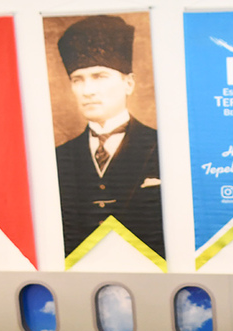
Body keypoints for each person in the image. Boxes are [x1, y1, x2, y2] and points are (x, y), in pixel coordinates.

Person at [53, 15, 164, 260]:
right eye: (77, 80)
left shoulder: (164, 147)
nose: (87, 90)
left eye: (99, 76)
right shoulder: (57, 159)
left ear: (129, 84)